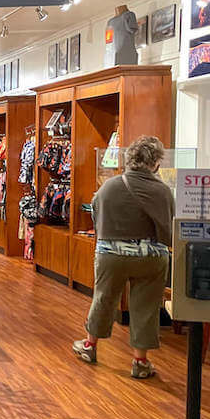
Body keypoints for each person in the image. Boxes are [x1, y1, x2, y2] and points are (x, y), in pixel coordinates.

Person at [73, 135, 174, 379]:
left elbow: (97, 217)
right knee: (146, 307)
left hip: (111, 256)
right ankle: (140, 361)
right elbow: (170, 226)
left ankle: (90, 346)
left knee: (103, 298)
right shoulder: (162, 191)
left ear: (129, 159)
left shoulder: (110, 186)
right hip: (151, 257)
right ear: (156, 162)